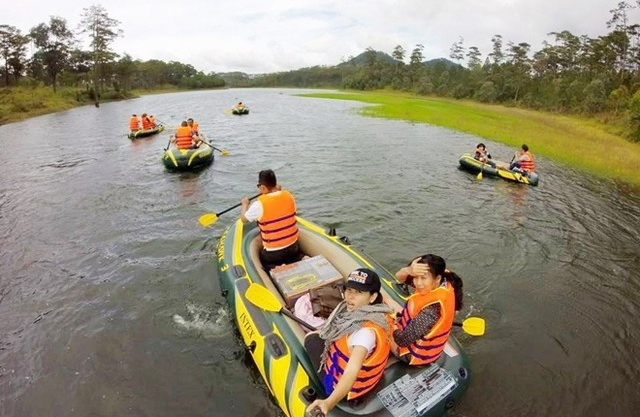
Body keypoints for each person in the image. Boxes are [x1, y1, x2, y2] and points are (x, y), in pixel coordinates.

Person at [306, 268, 393, 416]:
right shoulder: (379, 312)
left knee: (312, 339)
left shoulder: (364, 334)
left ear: (372, 297)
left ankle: (328, 389)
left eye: (359, 292)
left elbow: (351, 371)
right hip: (367, 382)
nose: (350, 297)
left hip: (347, 389)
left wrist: (329, 402)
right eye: (349, 290)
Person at [392, 254, 464, 366]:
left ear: (437, 279)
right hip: (423, 332)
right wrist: (408, 270)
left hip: (415, 355)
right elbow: (399, 277)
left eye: (423, 278)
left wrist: (392, 325)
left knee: (383, 324)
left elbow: (402, 341)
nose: (418, 283)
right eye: (415, 277)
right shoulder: (443, 280)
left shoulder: (431, 310)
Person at [241, 170, 302, 271]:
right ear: (275, 184)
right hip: (293, 248)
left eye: (259, 186)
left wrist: (245, 204)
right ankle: (300, 258)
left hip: (273, 254)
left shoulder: (258, 205)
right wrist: (278, 190)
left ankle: (276, 268)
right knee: (293, 255)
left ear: (263, 187)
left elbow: (244, 219)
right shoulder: (289, 196)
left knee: (263, 261)